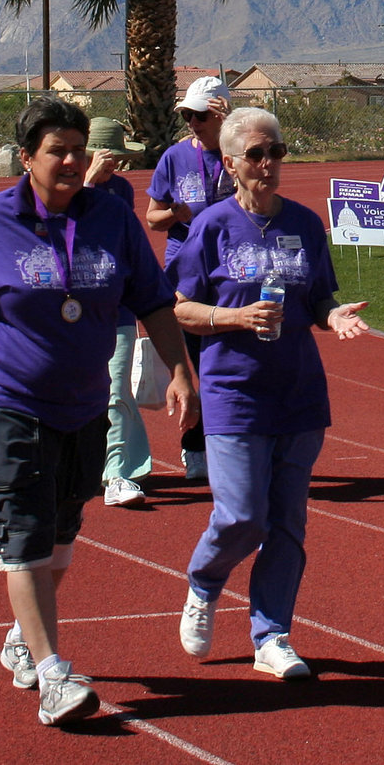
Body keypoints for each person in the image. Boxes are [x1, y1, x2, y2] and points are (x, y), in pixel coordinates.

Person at [0, 96, 196, 728]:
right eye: (58, 151)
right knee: (22, 531)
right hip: (4, 400)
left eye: (79, 149)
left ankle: (23, 640)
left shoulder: (112, 218)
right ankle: (53, 674)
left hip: (82, 403)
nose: (73, 161)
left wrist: (181, 369)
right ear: (27, 158)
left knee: (61, 533)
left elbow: (153, 299)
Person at [168, 107, 371, 680]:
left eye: (276, 152)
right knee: (242, 517)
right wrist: (234, 318)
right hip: (233, 390)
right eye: (256, 154)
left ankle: (272, 635)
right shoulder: (211, 226)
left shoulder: (305, 224)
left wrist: (336, 318)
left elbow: (321, 297)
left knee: (286, 522)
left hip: (299, 392)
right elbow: (179, 307)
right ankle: (205, 582)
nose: (268, 164)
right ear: (230, 163)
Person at [145, 75, 233, 485]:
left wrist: (236, 135)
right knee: (198, 362)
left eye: (201, 115)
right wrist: (175, 215)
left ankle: (231, 445)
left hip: (232, 269)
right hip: (187, 270)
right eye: (187, 115)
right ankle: (195, 447)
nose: (193, 122)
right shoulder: (175, 158)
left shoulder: (241, 153)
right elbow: (152, 217)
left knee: (229, 362)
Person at [81, 117, 153, 507]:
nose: (114, 166)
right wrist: (88, 181)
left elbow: (117, 237)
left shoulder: (122, 190)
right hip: (74, 309)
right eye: (106, 158)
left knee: (115, 387)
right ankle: (124, 463)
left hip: (118, 305)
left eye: (117, 159)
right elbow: (67, 228)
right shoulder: (67, 186)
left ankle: (117, 474)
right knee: (89, 392)